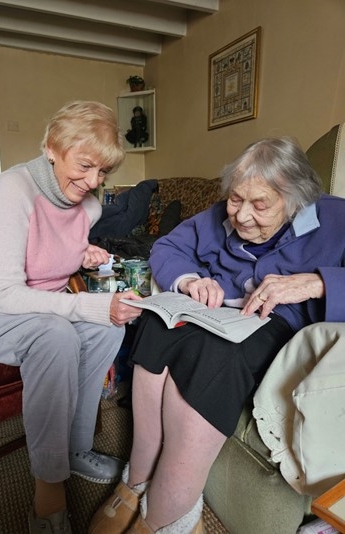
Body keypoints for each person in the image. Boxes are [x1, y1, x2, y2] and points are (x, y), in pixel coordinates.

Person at [89, 137, 345, 534]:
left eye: (260, 205)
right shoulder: (218, 216)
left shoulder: (336, 220)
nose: (242, 216)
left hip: (283, 325)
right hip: (219, 311)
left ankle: (169, 516)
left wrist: (316, 283)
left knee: (210, 354)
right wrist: (190, 280)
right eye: (235, 200)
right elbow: (168, 248)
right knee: (158, 324)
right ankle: (137, 477)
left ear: (296, 200)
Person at [0, 101, 142, 534]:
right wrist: (89, 304)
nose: (92, 182)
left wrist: (80, 253)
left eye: (103, 172)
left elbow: (47, 253)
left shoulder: (91, 207)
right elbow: (6, 293)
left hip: (33, 311)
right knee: (56, 335)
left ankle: (75, 449)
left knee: (105, 328)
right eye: (84, 166)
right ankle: (50, 485)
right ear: (51, 148)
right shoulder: (13, 187)